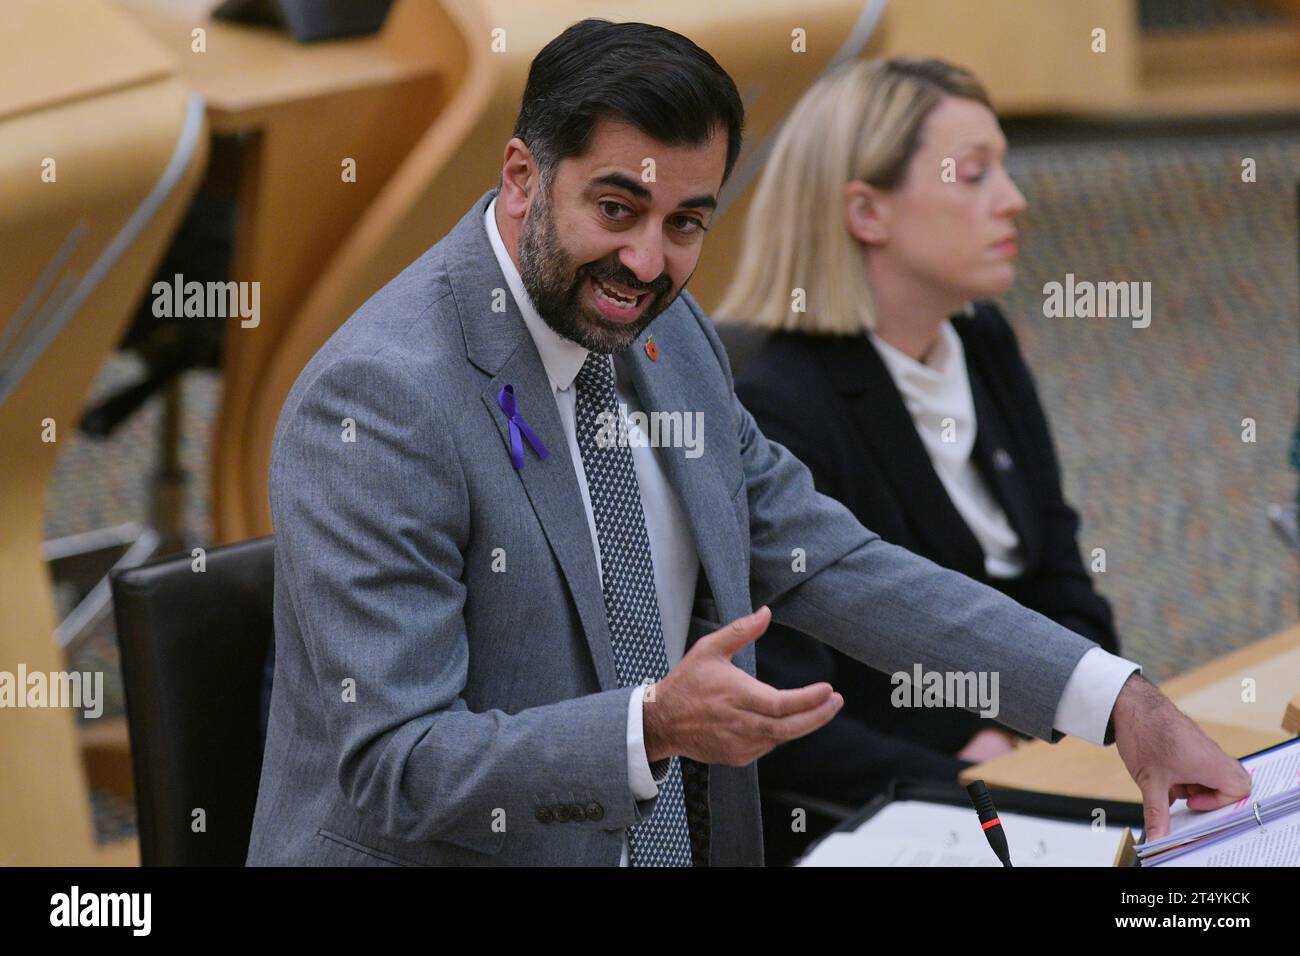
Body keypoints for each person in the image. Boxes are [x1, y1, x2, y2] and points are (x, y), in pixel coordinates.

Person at [245, 20, 1250, 867]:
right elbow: (393, 766)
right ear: (521, 177)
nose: (646, 261)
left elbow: (830, 557)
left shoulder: (667, 331)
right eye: (615, 209)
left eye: (687, 221)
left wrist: (1115, 699)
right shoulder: (382, 400)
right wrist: (652, 725)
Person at [718, 57, 1122, 860]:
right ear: (866, 212)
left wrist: (1022, 728)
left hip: (1030, 767)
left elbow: (1068, 590)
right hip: (887, 816)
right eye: (974, 176)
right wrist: (983, 761)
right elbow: (792, 721)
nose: (1014, 199)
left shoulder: (980, 339)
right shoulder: (778, 405)